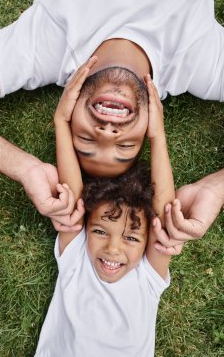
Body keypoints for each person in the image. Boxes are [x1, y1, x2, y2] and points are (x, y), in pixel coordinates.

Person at [0, 0, 223, 240]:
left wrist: (23, 168)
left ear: (68, 116)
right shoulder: (195, 61)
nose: (107, 133)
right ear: (150, 125)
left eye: (86, 139)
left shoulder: (42, 50)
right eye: (125, 146)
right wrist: (216, 187)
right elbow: (163, 215)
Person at [34, 73, 183, 357]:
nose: (113, 248)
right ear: (85, 228)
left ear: (148, 239)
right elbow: (72, 197)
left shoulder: (146, 278)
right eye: (100, 231)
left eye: (131, 237)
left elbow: (164, 216)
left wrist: (157, 134)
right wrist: (60, 122)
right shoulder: (77, 258)